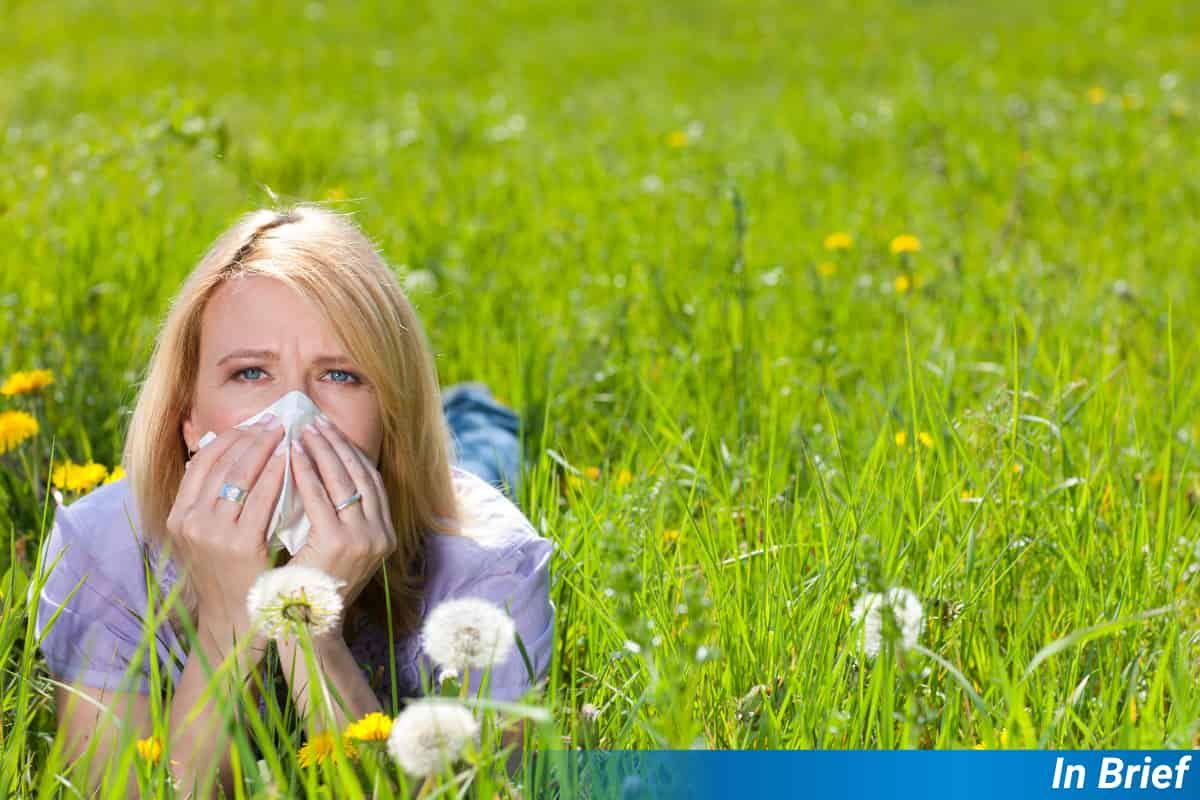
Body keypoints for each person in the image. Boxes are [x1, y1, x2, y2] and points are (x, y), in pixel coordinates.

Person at [32, 205, 555, 796]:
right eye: (252, 373)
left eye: (340, 376)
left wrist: (309, 632)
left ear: (391, 415)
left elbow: (487, 786)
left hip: (438, 490)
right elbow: (130, 790)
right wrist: (231, 622)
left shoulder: (490, 565)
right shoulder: (103, 548)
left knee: (482, 449)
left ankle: (479, 414)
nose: (294, 421)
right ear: (187, 415)